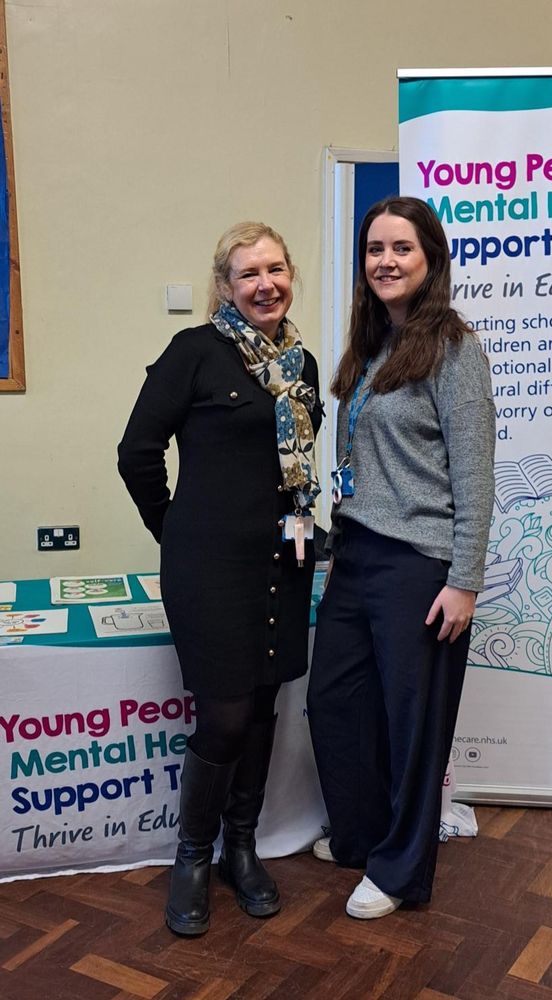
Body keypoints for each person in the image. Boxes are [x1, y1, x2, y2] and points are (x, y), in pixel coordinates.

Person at [118, 222, 322, 935]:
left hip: (281, 563)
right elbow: (136, 451)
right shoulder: (194, 352)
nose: (265, 284)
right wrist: (173, 530)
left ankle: (242, 848)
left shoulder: (302, 363)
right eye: (248, 273)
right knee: (225, 714)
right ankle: (193, 855)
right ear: (224, 286)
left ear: (290, 275)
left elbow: (298, 468)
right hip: (209, 568)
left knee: (263, 707)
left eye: (275, 269)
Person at [307, 196, 495, 919]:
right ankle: (360, 836)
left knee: (414, 725)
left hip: (419, 562)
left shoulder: (454, 349)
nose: (385, 261)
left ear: (430, 259)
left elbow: (475, 473)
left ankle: (400, 871)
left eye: (401, 248)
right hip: (356, 553)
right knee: (336, 703)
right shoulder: (372, 345)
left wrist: (464, 580)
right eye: (374, 249)